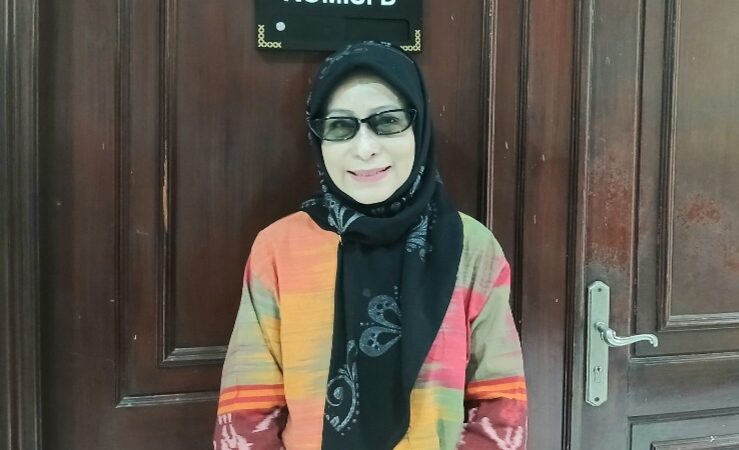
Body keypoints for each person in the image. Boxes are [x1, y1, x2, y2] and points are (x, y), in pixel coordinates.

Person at [213, 41, 527, 450]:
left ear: (419, 126)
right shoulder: (278, 250)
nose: (364, 148)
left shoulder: (471, 249)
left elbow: (501, 403)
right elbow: (247, 411)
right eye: (340, 126)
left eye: (387, 121)